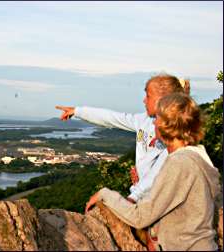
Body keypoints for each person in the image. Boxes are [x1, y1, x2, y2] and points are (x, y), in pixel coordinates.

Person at [85, 93, 221, 251]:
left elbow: (140, 217)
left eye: (157, 118)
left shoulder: (179, 163)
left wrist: (104, 194)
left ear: (166, 125)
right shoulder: (197, 156)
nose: (154, 122)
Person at [56, 73, 190, 203]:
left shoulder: (174, 131)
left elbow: (160, 170)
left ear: (162, 100)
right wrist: (78, 111)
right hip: (144, 196)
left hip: (158, 201)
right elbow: (113, 118)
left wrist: (134, 196)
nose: (144, 100)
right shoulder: (144, 120)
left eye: (148, 96)